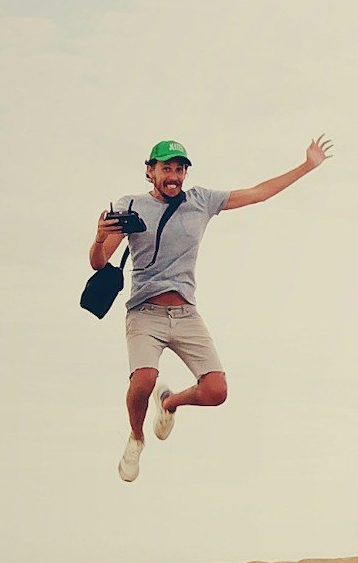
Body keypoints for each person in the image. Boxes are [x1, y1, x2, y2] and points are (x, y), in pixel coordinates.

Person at [88, 134, 332, 483]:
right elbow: (99, 263)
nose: (173, 175)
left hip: (186, 313)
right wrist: (99, 237)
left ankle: (170, 403)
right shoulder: (131, 207)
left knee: (217, 391)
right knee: (144, 380)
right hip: (145, 312)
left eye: (179, 169)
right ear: (150, 171)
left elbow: (257, 193)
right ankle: (136, 438)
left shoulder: (201, 201)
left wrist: (307, 166)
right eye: (165, 168)